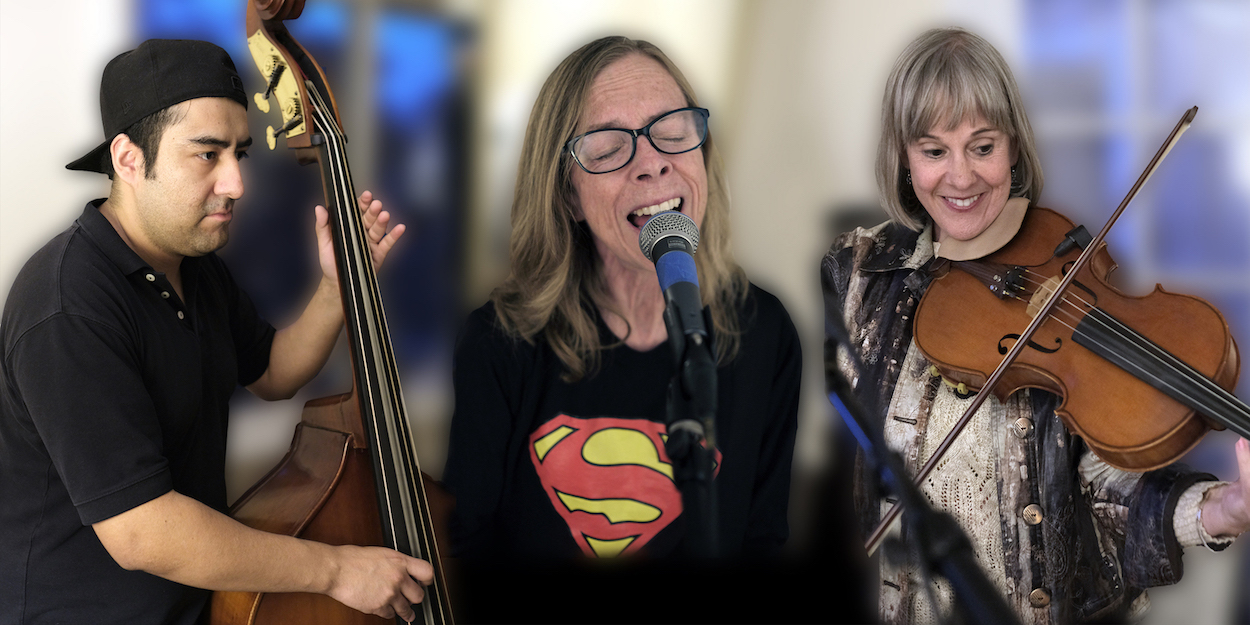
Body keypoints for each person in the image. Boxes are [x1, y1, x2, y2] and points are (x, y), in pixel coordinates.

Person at [821, 27, 1250, 625]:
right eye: (934, 150)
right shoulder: (863, 272)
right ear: (903, 156)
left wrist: (1225, 508)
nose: (962, 178)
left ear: (1015, 147)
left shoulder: (1064, 259)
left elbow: (1115, 495)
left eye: (983, 146)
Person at [0, 39, 433, 624]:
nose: (236, 183)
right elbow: (141, 531)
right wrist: (337, 569)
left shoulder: (195, 266)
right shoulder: (69, 302)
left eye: (240, 153)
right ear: (129, 160)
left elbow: (274, 372)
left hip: (200, 605)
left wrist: (336, 286)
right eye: (207, 154)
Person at [440, 36, 803, 622]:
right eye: (609, 147)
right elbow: (469, 553)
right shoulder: (498, 342)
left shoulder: (766, 333)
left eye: (673, 128)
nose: (653, 161)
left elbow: (760, 543)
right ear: (568, 195)